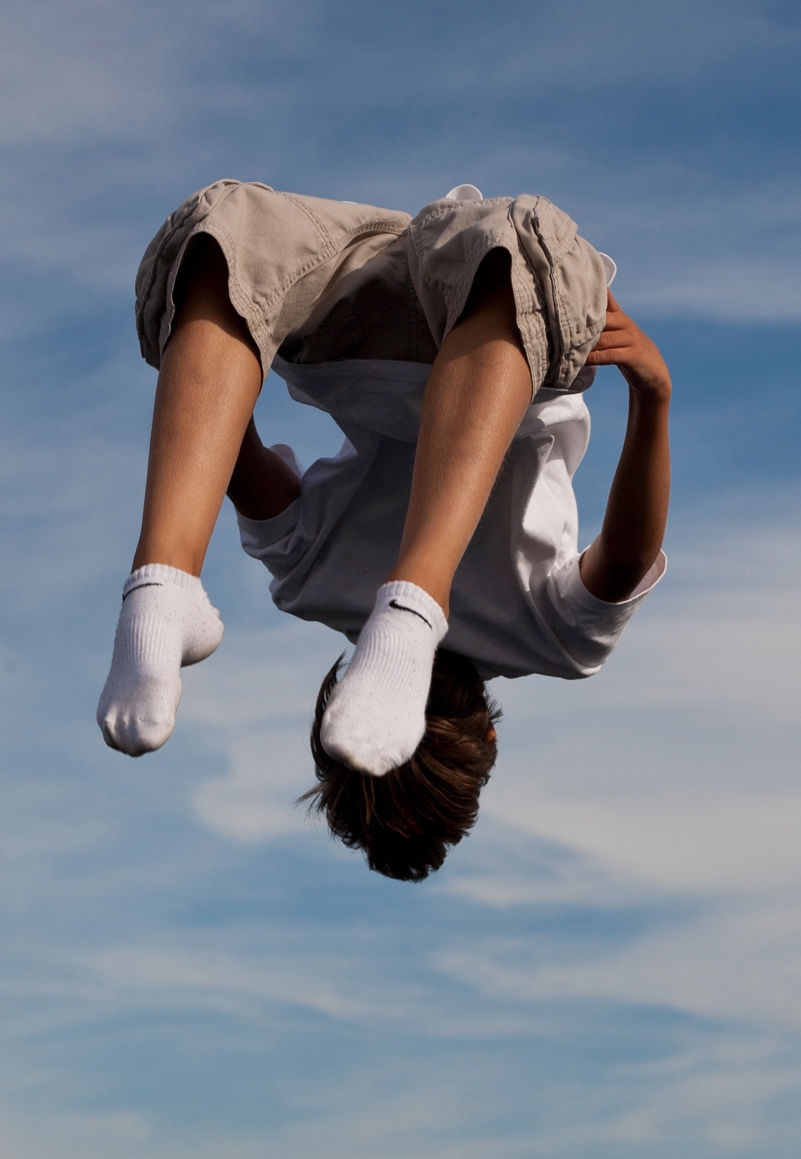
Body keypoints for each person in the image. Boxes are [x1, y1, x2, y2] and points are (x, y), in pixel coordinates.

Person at [97, 181, 671, 880]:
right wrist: (227, 334)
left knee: (521, 249)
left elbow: (627, 558)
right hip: (360, 343)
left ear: (489, 736)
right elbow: (231, 450)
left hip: (497, 331)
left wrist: (653, 395)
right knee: (218, 244)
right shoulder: (311, 583)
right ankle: (162, 577)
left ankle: (395, 600)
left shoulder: (555, 641)